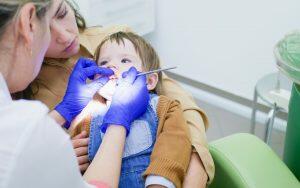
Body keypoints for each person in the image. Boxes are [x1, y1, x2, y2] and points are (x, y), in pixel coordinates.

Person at [20, 0, 215, 186]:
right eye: (104, 63)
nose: (64, 35)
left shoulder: (119, 39)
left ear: (150, 79)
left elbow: (182, 121)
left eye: (62, 13)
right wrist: (55, 158)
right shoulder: (20, 89)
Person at [0, 0, 149, 187]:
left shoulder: (115, 36)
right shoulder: (27, 127)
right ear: (28, 22)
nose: (63, 36)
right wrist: (119, 122)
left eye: (62, 13)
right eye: (47, 26)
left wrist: (63, 112)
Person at [70, 31, 192, 188]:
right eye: (104, 62)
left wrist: (159, 183)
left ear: (149, 80)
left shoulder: (163, 107)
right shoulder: (87, 116)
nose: (111, 66)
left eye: (124, 60)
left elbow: (175, 144)